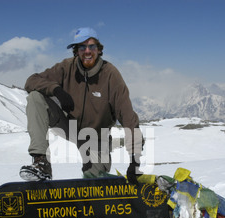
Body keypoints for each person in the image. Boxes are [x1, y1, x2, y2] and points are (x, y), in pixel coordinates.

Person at [20, 27, 143, 183]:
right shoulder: (66, 67)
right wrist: (56, 90)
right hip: (69, 126)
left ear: (98, 49)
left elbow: (128, 117)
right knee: (35, 98)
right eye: (81, 47)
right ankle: (41, 162)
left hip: (96, 137)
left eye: (91, 46)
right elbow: (31, 81)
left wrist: (135, 159)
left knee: (94, 181)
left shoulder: (110, 75)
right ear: (76, 50)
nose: (87, 51)